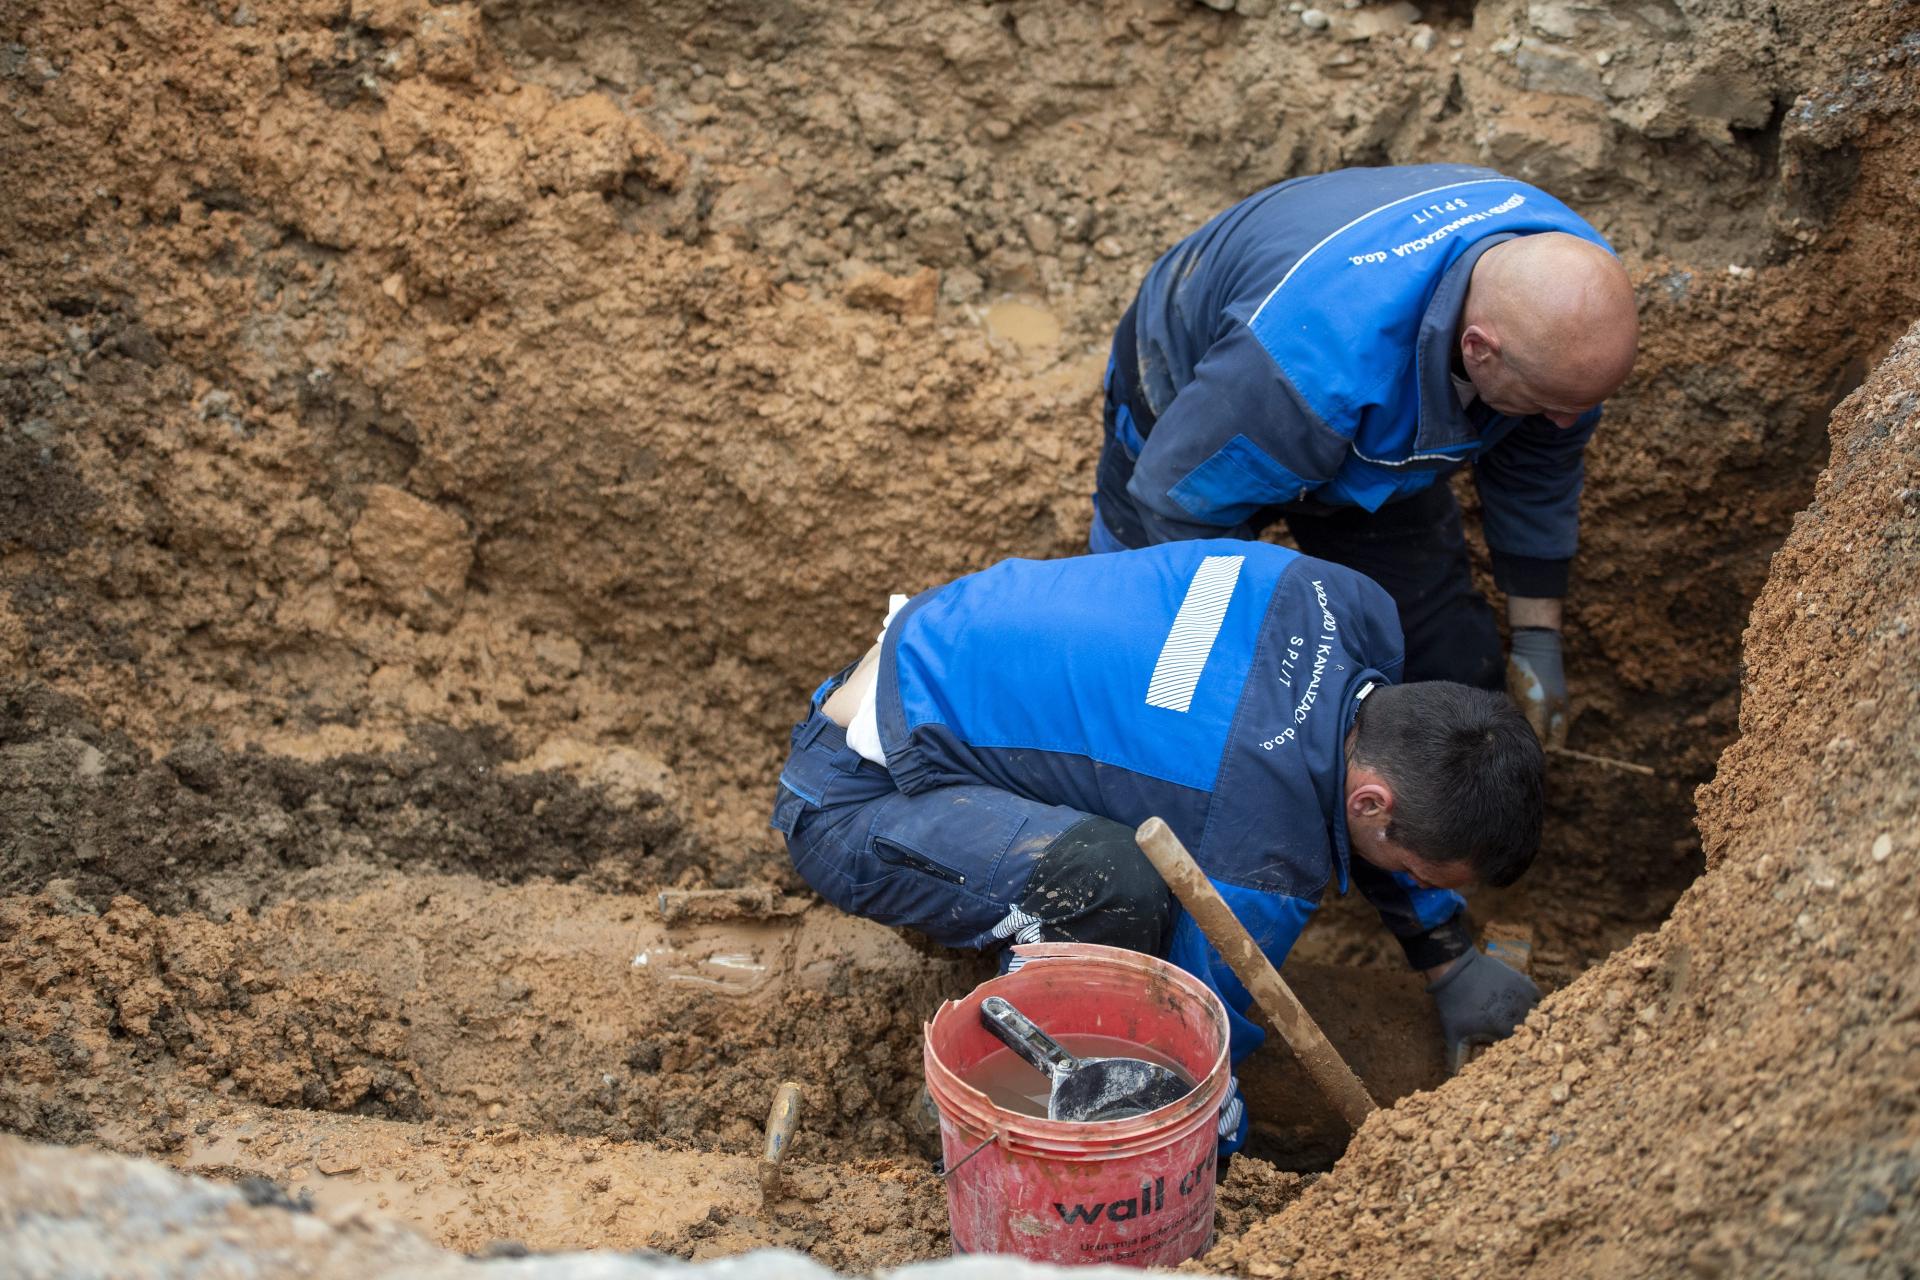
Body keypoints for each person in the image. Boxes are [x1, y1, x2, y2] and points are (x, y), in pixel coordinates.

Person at [771, 540, 1545, 1153]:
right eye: (1412, 869)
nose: (1407, 879)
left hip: (935, 660)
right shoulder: (1258, 841)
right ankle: (997, 1117)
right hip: (855, 798)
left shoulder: (1349, 603)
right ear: (1371, 802)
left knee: (1121, 834)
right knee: (1111, 888)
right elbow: (1186, 1023)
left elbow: (1368, 791)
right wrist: (1206, 1125)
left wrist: (1444, 951)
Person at [1090, 163, 1639, 748]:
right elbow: (1178, 507)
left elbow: (1539, 466)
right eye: (1549, 403)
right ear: (1479, 350)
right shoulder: (1307, 367)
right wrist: (1277, 685)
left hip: (1366, 420)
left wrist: (1537, 640)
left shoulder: (1570, 309)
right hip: (1196, 408)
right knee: (1173, 674)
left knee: (1447, 655)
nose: (1565, 421)